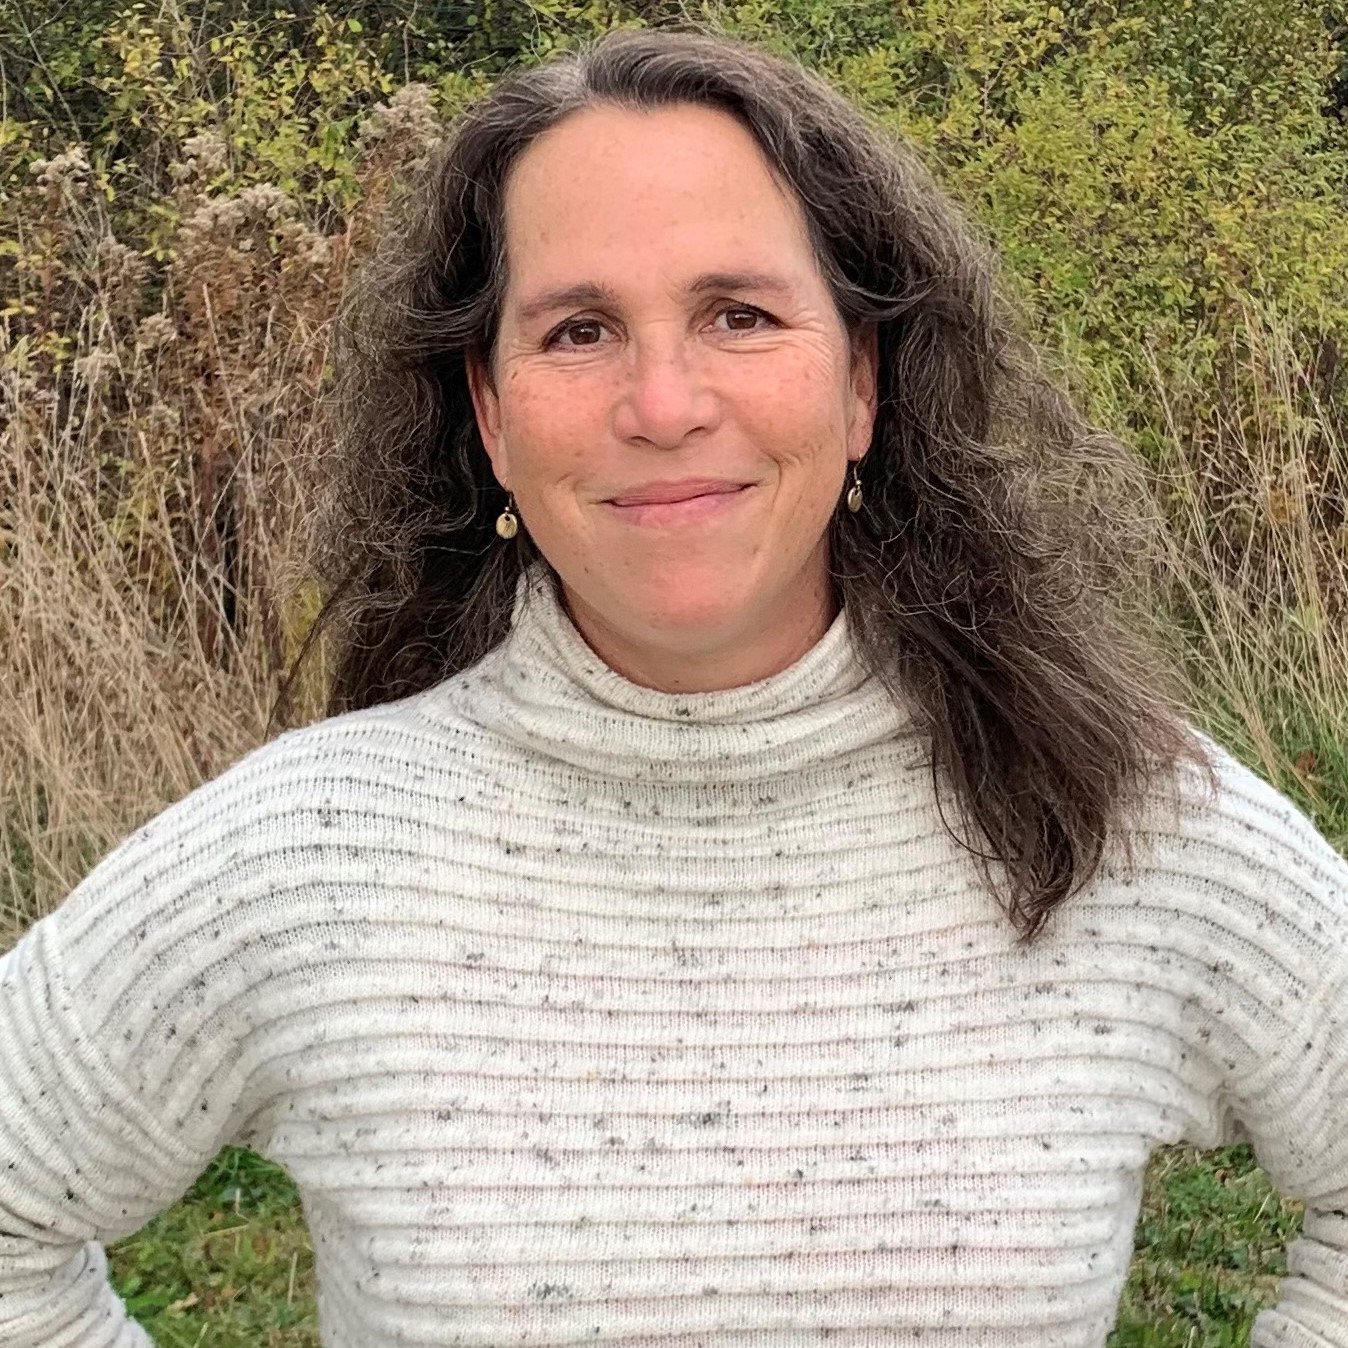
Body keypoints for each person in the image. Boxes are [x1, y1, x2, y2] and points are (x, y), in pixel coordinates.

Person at [1, 24, 1345, 1348]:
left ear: (862, 384)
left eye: (740, 316)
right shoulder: (307, 850)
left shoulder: (1111, 810)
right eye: (579, 330)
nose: (662, 401)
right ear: (490, 413)